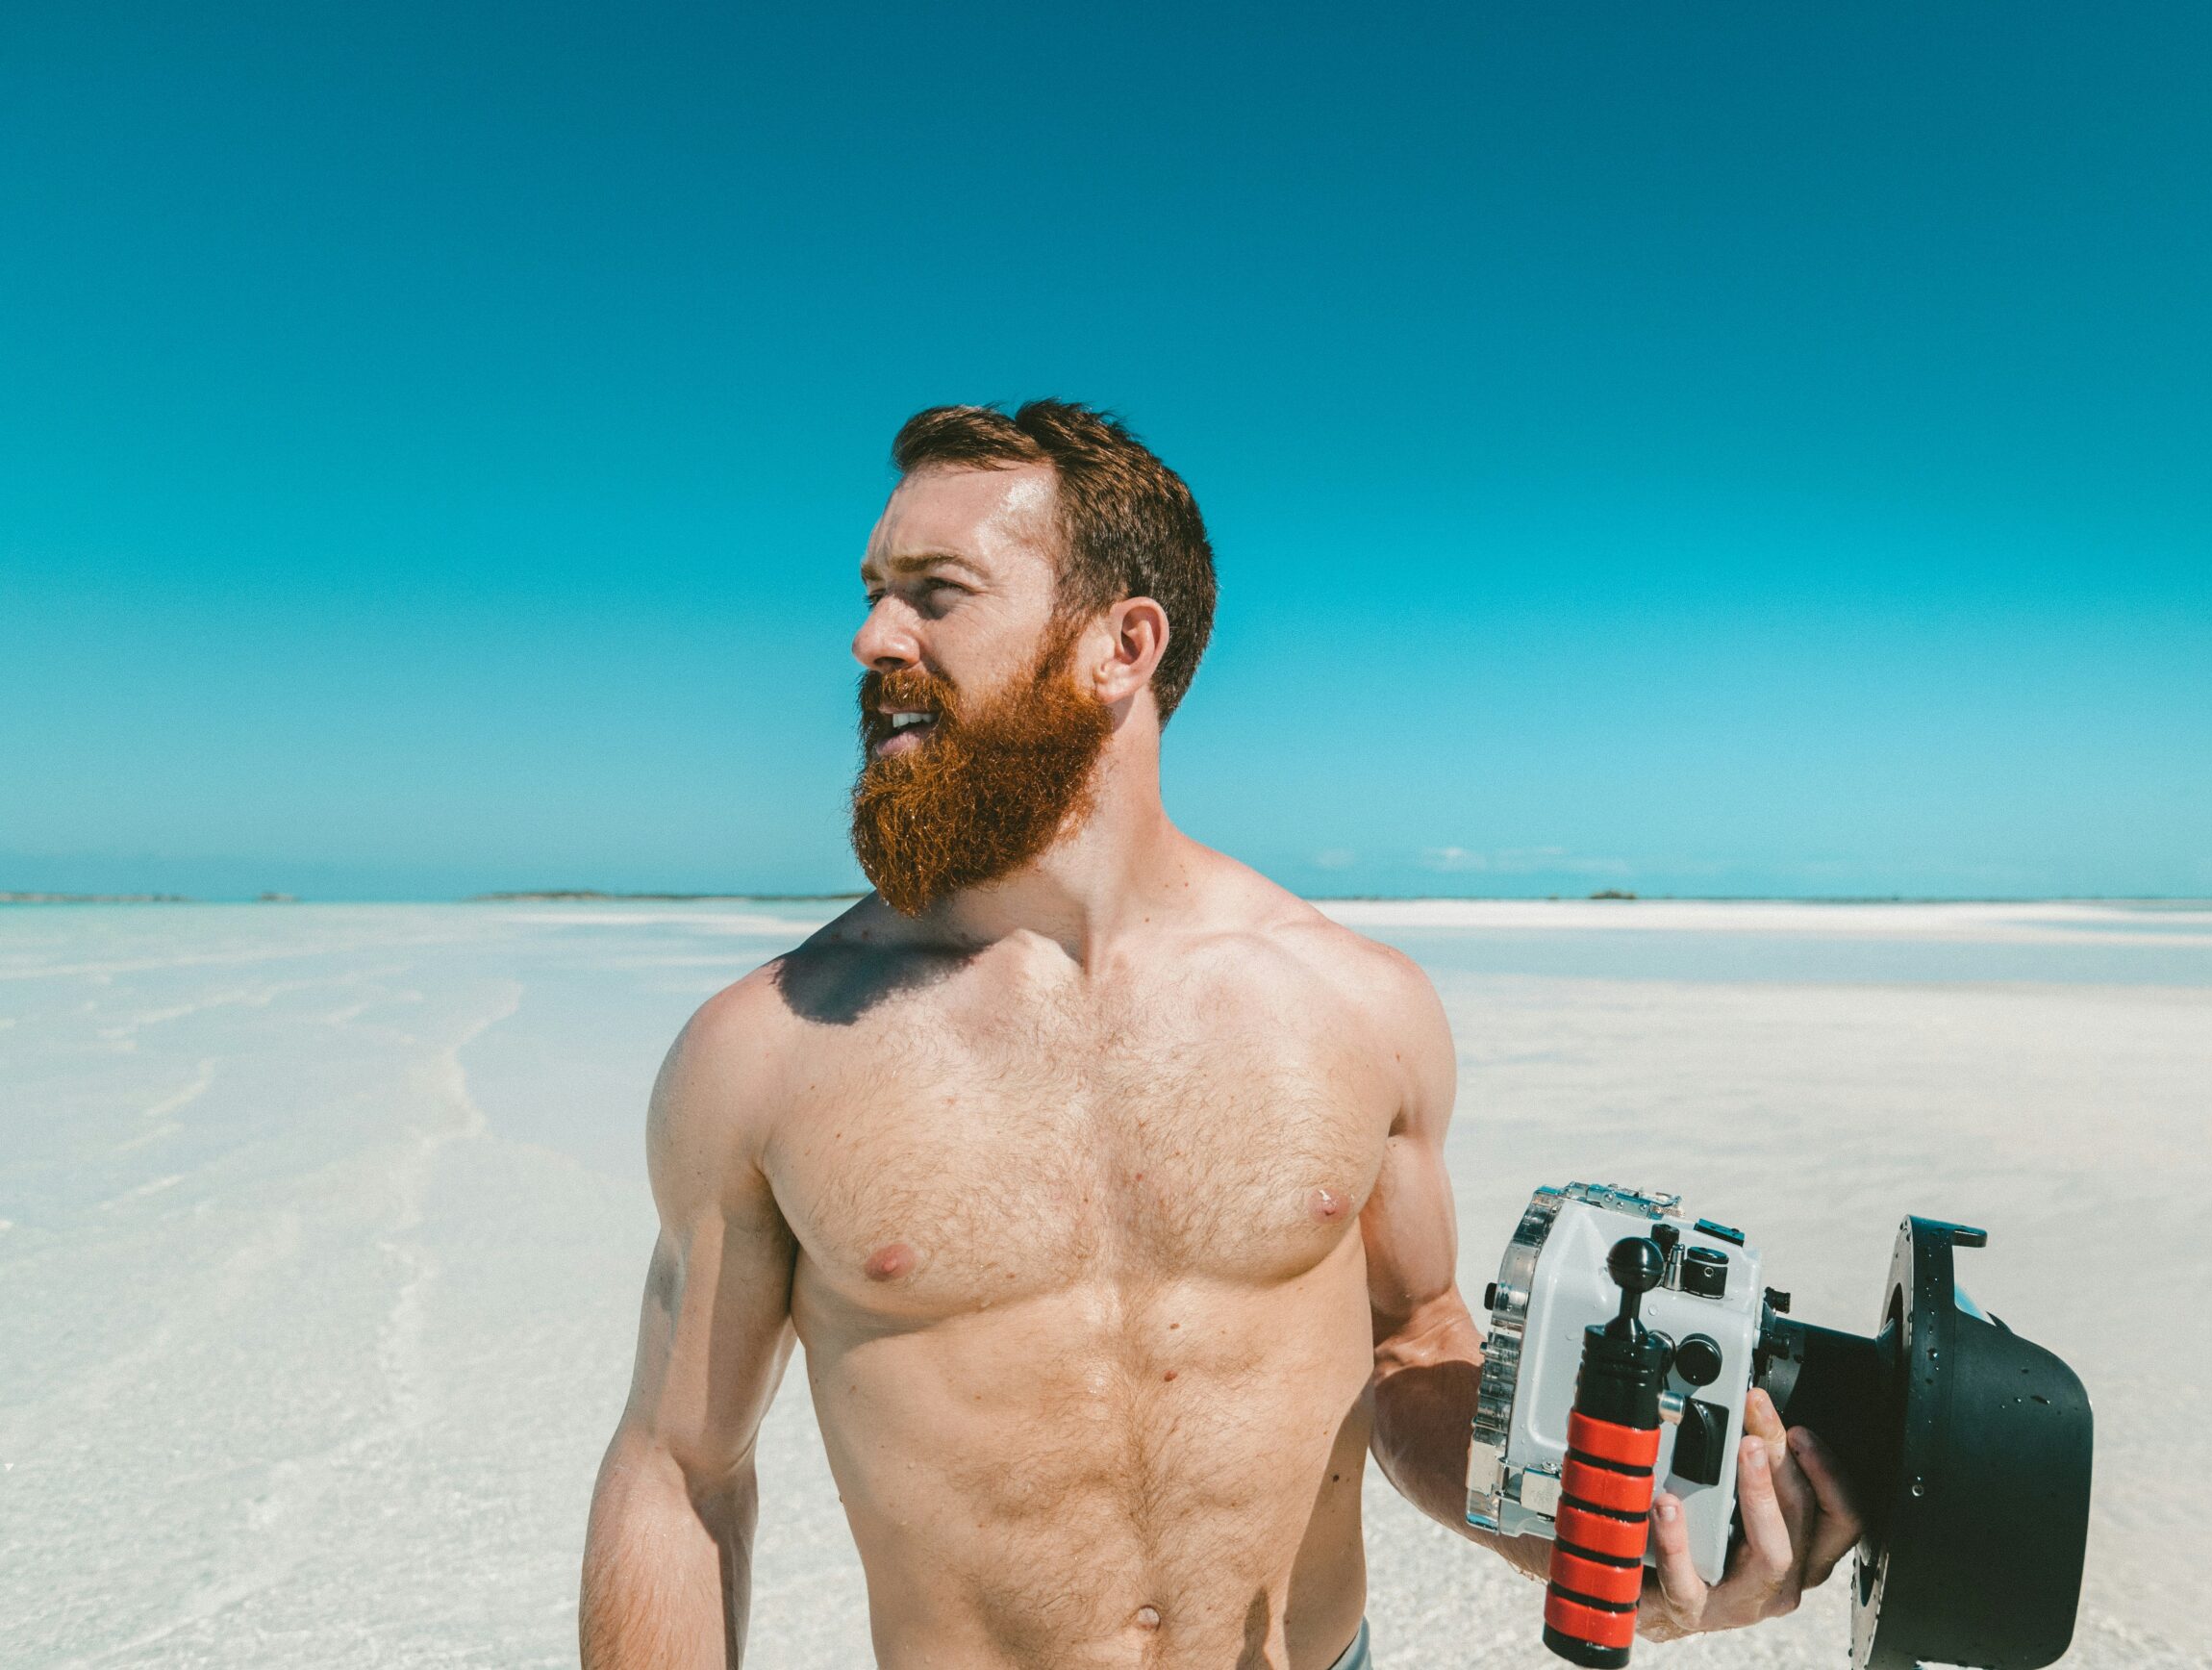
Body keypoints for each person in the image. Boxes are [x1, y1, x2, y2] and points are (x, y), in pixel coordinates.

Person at [577, 402, 1862, 1669]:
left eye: (935, 591)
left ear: (1122, 644)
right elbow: (679, 1469)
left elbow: (1417, 1350)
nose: (870, 638)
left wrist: (1590, 1529)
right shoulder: (767, 1051)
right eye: (872, 590)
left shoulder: (1358, 1009)